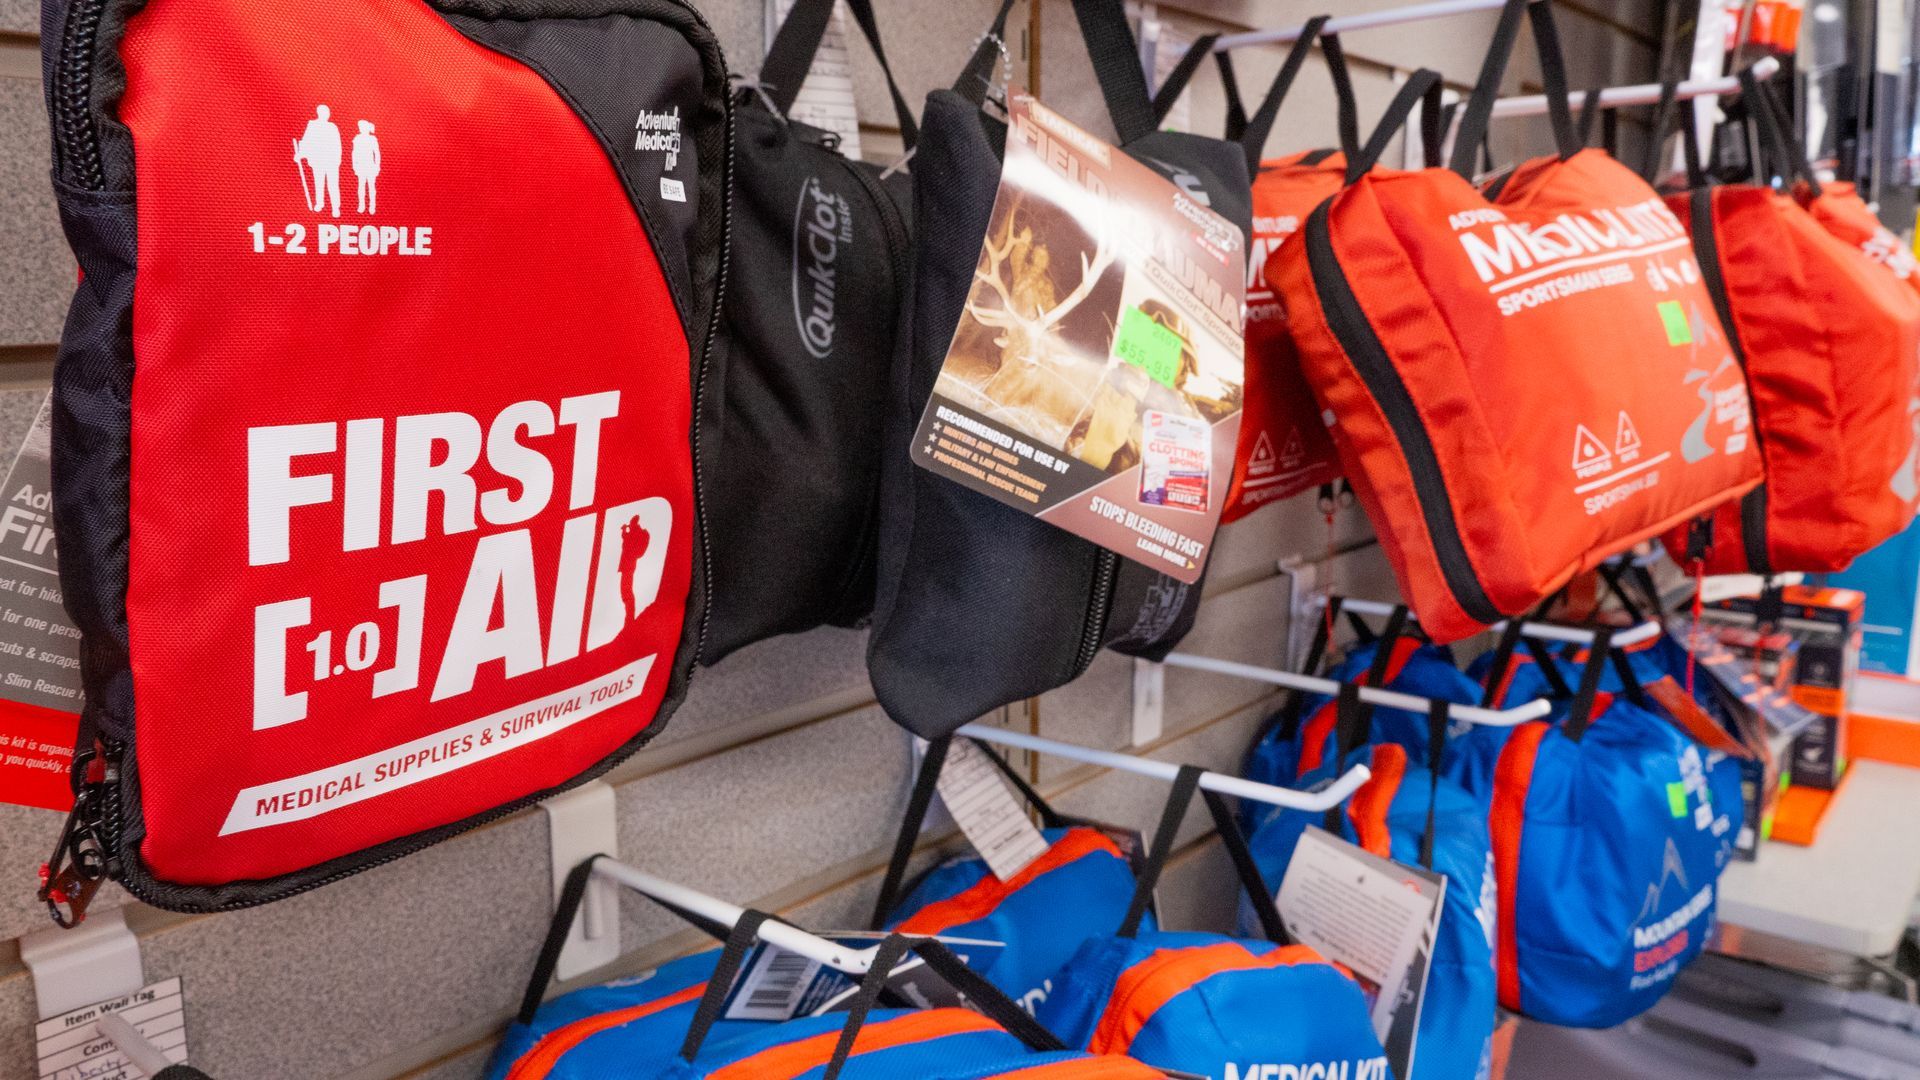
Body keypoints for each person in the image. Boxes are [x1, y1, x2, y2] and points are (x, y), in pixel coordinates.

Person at [296, 105, 342, 218]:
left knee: (333, 184)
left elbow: (337, 144)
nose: (326, 114)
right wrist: (300, 154)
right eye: (323, 112)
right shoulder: (313, 125)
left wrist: (338, 159)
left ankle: (335, 207)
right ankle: (320, 203)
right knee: (319, 183)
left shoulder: (332, 127)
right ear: (319, 113)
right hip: (318, 160)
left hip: (332, 161)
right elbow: (306, 141)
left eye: (327, 112)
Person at [618, 516, 649, 624]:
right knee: (625, 591)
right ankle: (629, 617)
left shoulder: (637, 533)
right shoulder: (634, 532)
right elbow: (625, 538)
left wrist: (628, 531)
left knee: (626, 592)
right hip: (627, 565)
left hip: (628, 565)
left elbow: (628, 542)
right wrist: (624, 530)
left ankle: (629, 618)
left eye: (631, 523)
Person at [352, 120, 380, 215]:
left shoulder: (373, 139)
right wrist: (354, 165)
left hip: (371, 167)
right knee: (361, 186)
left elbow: (377, 153)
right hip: (361, 167)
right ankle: (361, 205)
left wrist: (377, 166)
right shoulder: (357, 139)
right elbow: (354, 153)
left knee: (371, 187)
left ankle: (372, 206)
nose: (360, 128)